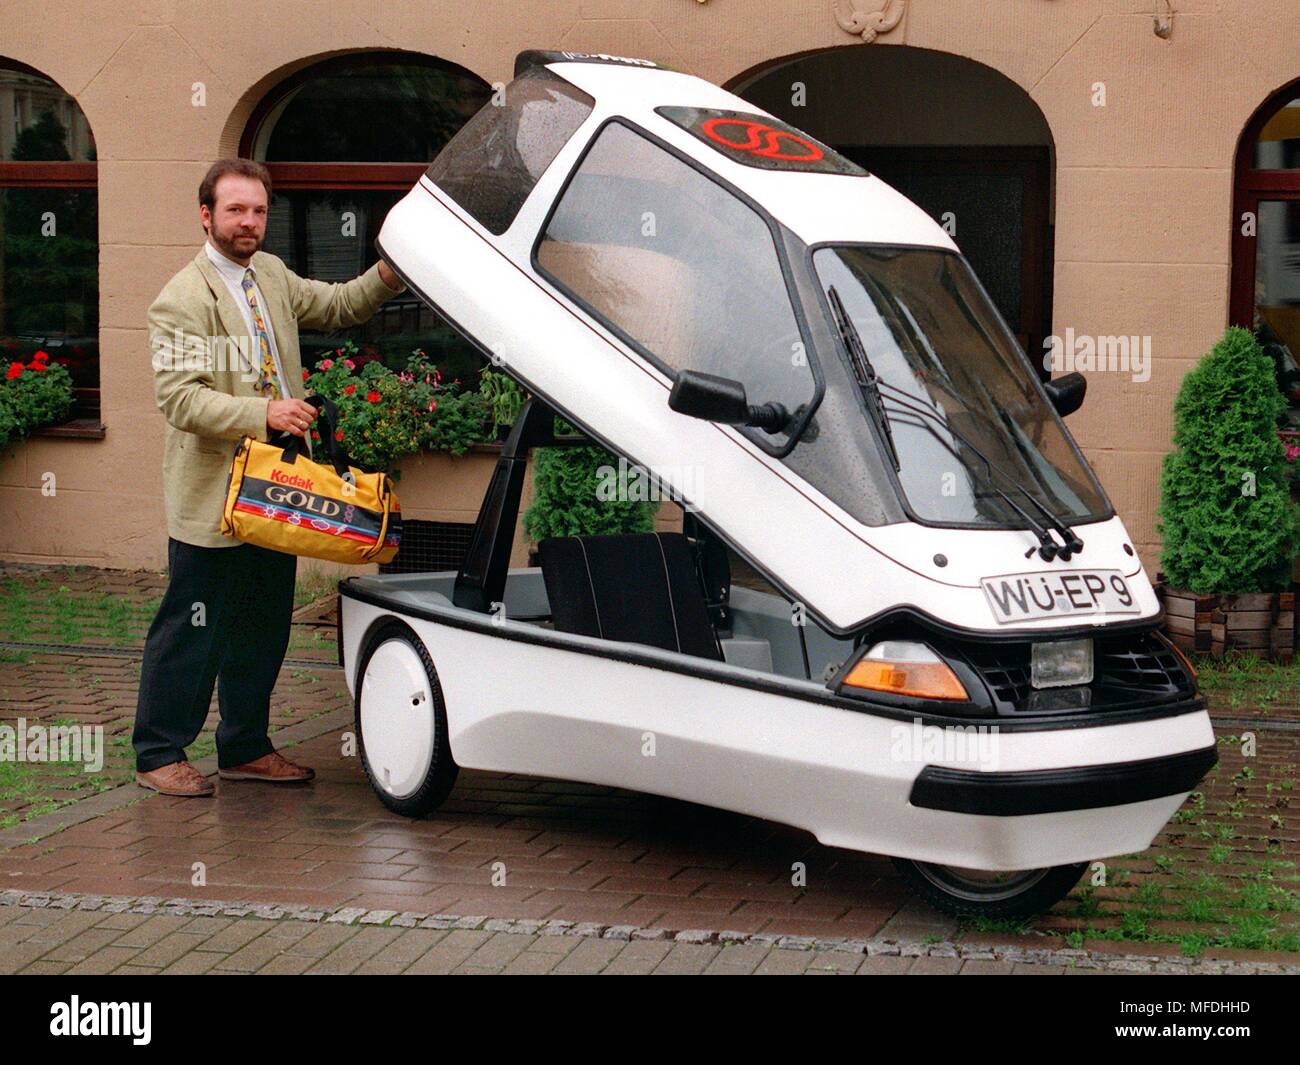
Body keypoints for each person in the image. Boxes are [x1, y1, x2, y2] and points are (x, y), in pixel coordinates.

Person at [132, 157, 405, 797]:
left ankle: (245, 748)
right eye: (235, 210)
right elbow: (180, 400)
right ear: (207, 216)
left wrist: (389, 274)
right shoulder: (179, 299)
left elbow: (338, 306)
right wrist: (265, 411)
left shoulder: (272, 275)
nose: (248, 222)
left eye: (258, 211)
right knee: (192, 631)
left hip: (279, 490)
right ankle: (157, 753)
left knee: (263, 627)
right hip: (214, 500)